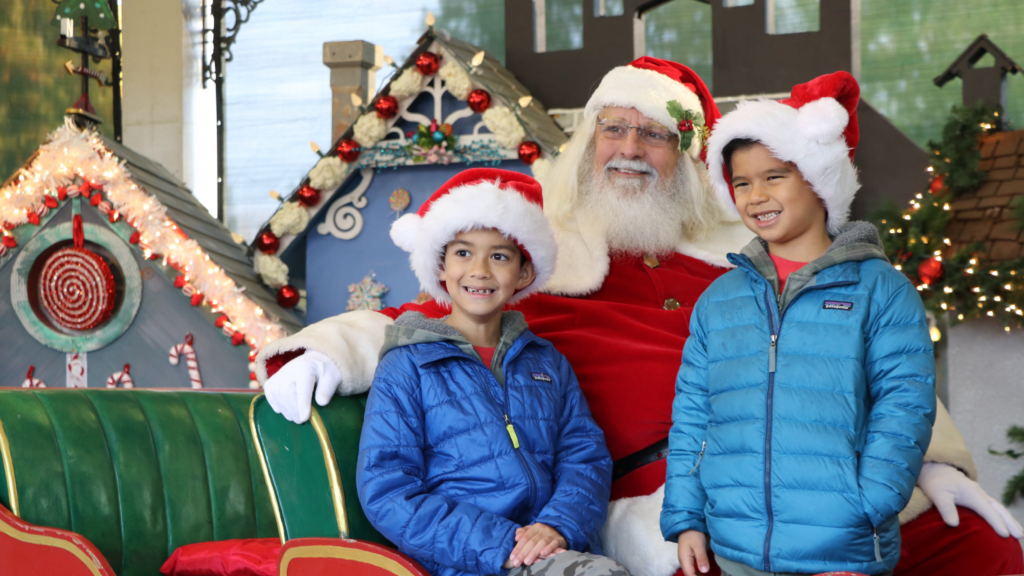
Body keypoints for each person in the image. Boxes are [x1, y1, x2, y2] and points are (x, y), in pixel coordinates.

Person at [258, 57, 1023, 576]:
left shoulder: (738, 254)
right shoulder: (537, 250)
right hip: (666, 502)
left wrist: (934, 461)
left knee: (983, 550)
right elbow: (425, 317)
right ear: (589, 142)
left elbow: (863, 353)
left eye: (655, 134)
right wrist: (323, 350)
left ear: (686, 156)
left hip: (810, 472)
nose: (630, 149)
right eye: (614, 129)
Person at [662, 71, 936, 576]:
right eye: (741, 183)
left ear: (817, 178)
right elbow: (693, 417)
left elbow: (904, 407)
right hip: (736, 547)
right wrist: (687, 518)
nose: (755, 196)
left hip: (842, 547)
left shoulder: (880, 290)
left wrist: (869, 504)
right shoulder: (718, 300)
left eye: (774, 177)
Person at [356, 168, 626, 576]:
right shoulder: (407, 366)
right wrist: (502, 544)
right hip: (464, 558)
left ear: (523, 273)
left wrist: (557, 525)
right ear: (440, 266)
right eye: (463, 253)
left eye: (499, 256)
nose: (480, 270)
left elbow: (585, 457)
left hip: (554, 548)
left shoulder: (547, 362)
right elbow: (388, 491)